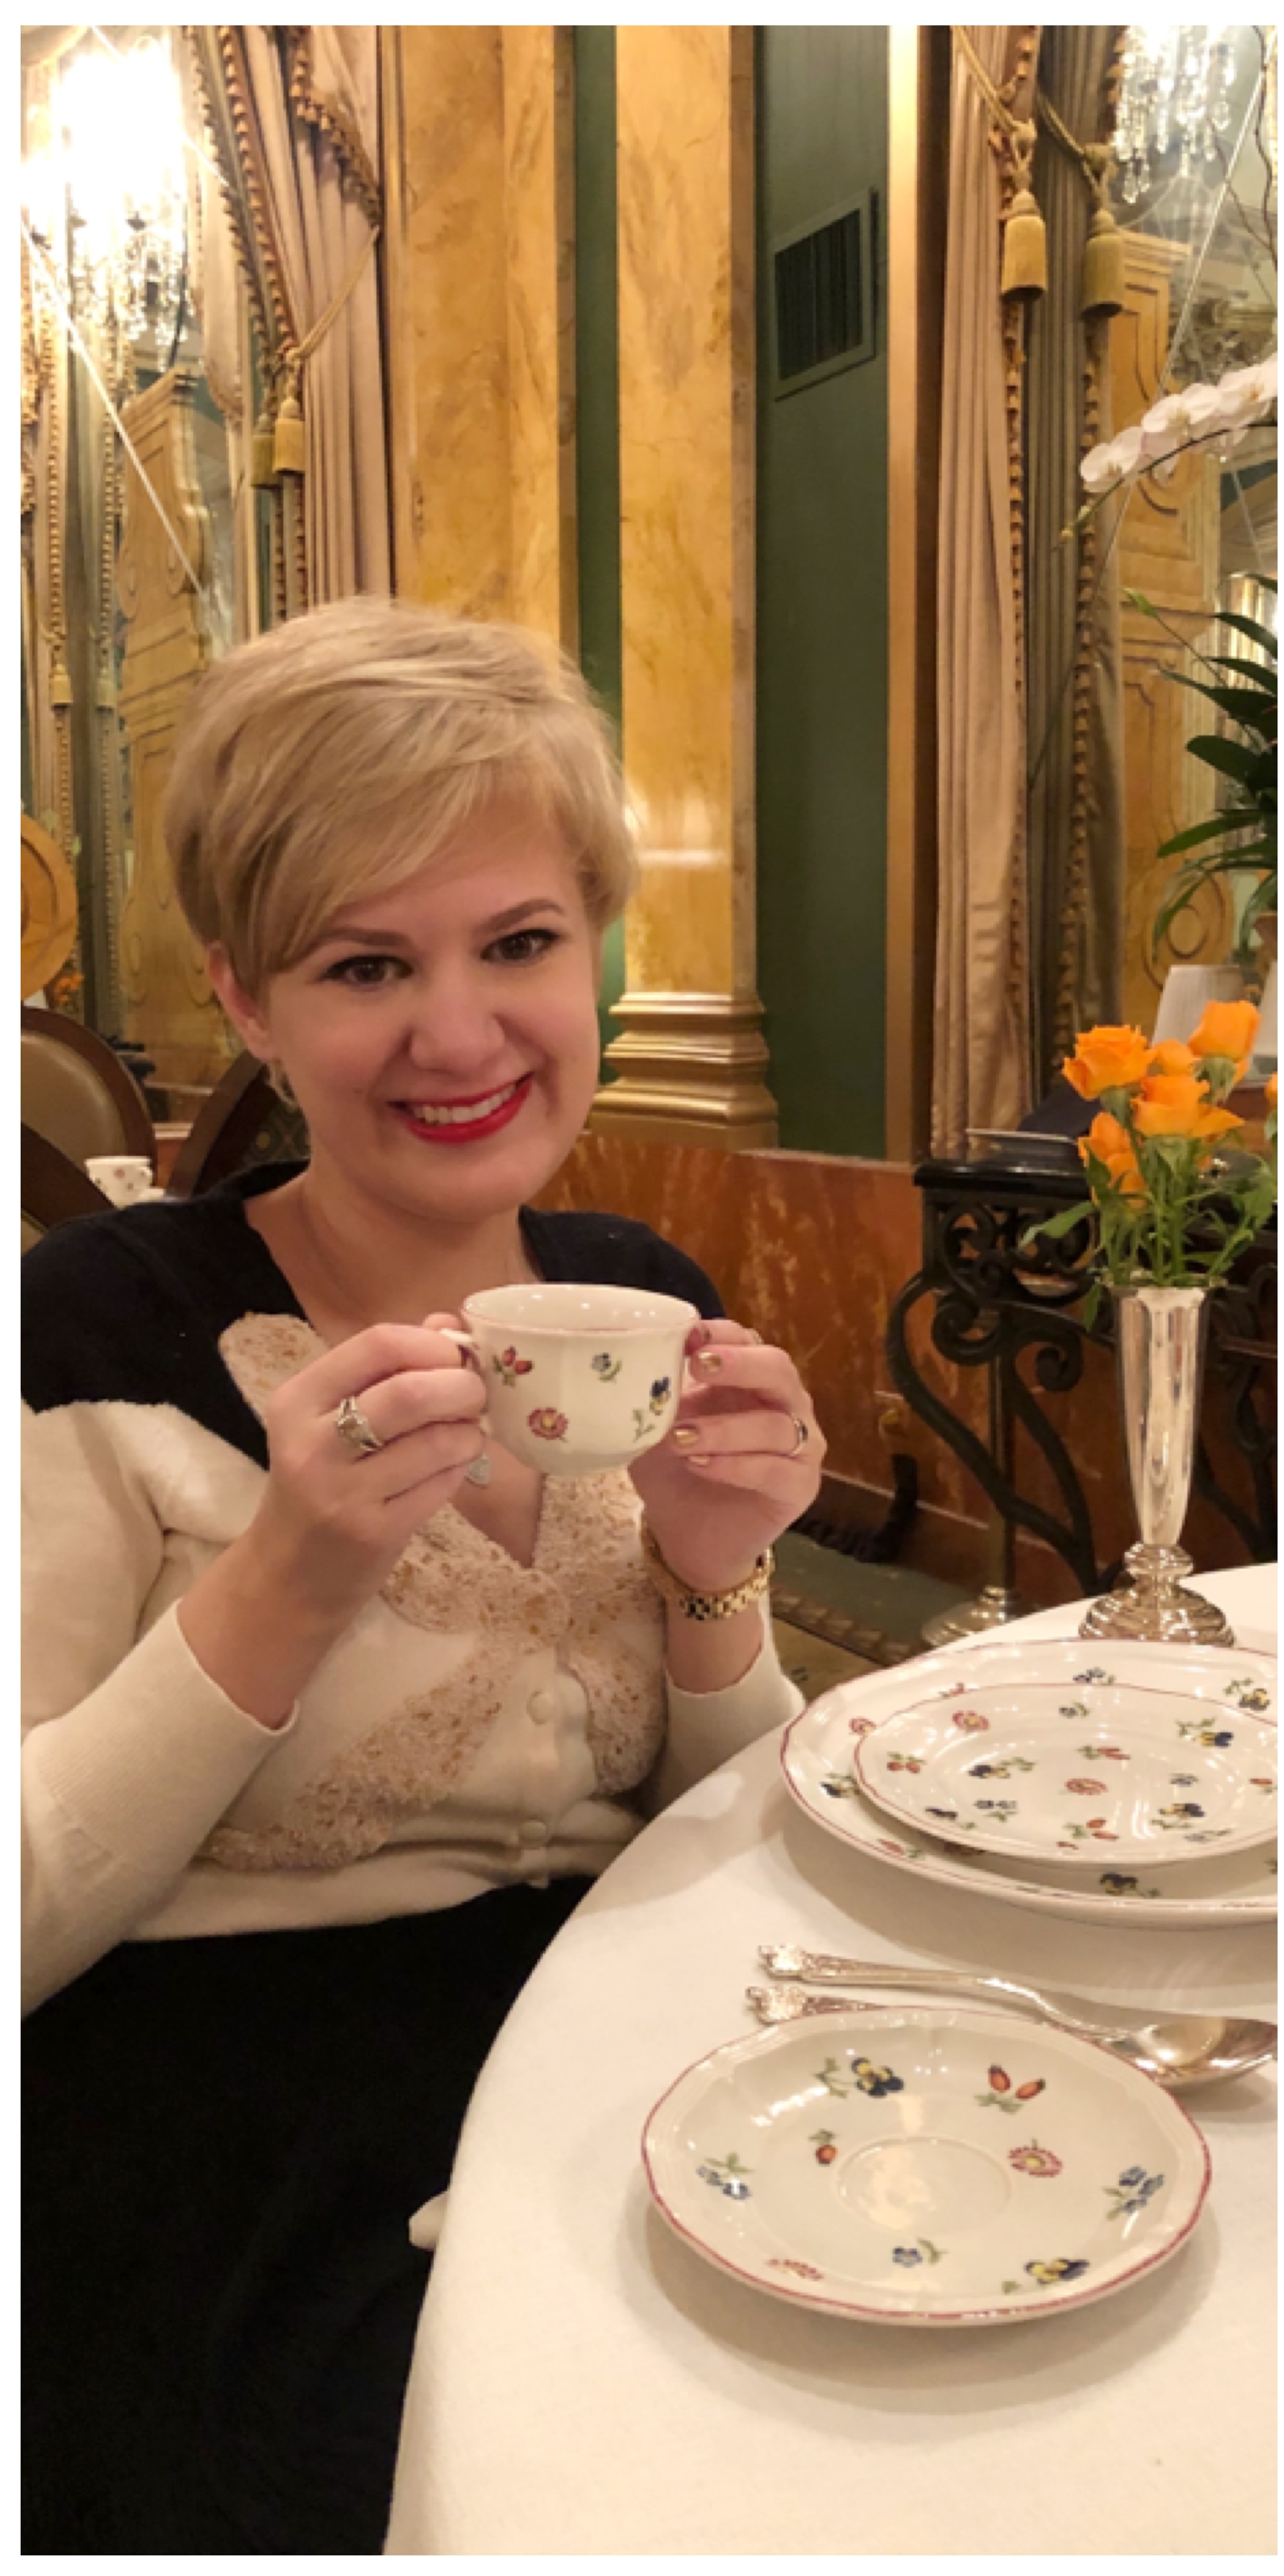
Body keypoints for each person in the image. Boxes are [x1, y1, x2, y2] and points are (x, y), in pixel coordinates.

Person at [22, 597, 829, 2551]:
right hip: (227, 2140)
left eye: (522, 944)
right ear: (246, 999)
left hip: (616, 2059)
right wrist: (281, 1584)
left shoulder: (638, 1301)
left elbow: (712, 1818)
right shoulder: (98, 1330)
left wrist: (719, 1586)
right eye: (366, 963)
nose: (460, 1033)